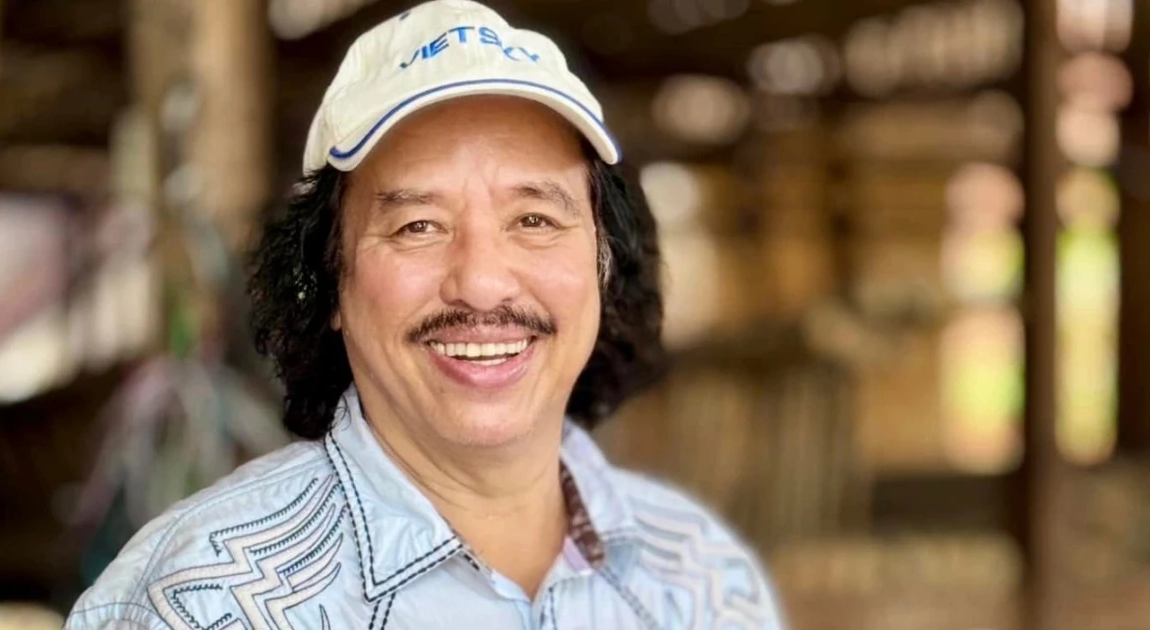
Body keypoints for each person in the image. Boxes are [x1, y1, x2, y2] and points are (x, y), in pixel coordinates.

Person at [65, 1, 786, 628]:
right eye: (417, 226)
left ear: (603, 264)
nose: (482, 284)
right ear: (329, 281)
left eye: (534, 219)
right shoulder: (205, 605)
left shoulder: (700, 577)